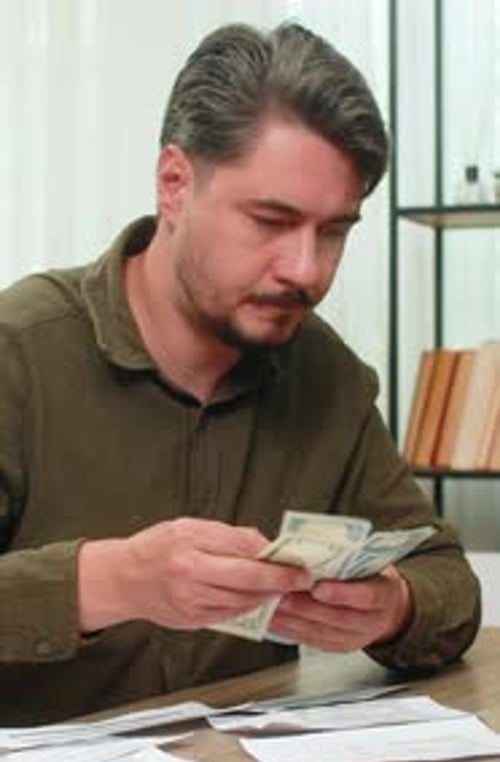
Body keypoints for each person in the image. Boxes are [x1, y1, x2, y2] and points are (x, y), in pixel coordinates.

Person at [0, 22, 480, 725]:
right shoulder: (19, 351)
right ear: (174, 184)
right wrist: (107, 582)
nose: (306, 269)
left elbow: (448, 583)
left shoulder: (329, 376)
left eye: (335, 230)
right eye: (270, 220)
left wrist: (392, 607)